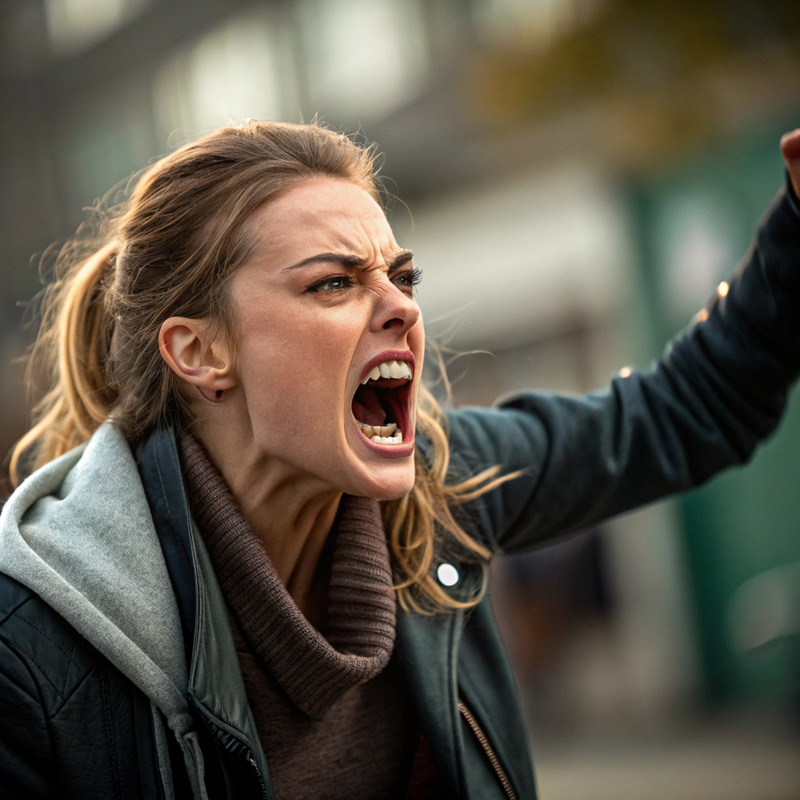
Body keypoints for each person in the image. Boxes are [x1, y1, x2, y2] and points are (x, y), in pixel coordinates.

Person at [0, 120, 799, 800]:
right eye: (333, 284)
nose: (402, 309)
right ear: (200, 352)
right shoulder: (32, 652)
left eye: (403, 276)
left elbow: (693, 408)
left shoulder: (442, 484)